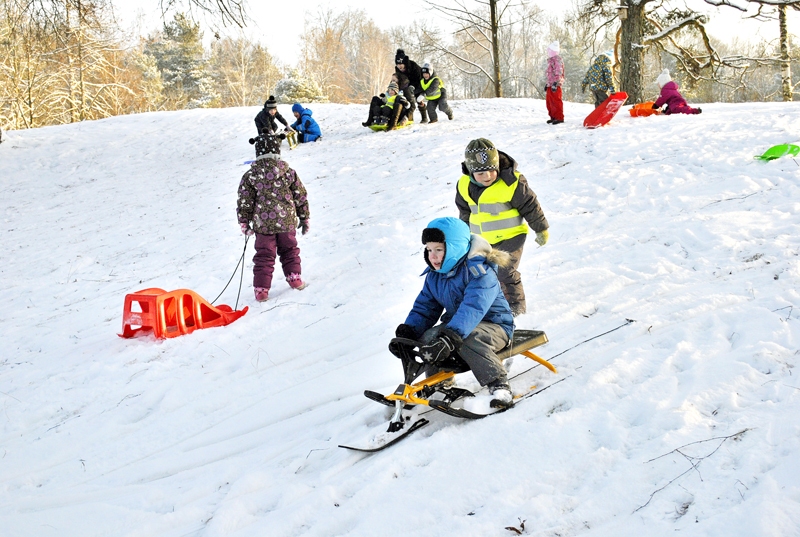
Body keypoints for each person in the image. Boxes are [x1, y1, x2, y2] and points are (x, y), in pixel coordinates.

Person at [394, 216, 516, 408]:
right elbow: (425, 308)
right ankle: (440, 382)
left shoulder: (480, 272)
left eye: (439, 250)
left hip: (495, 327)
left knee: (469, 337)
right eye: (429, 250)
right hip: (458, 327)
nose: (432, 256)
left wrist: (451, 336)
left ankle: (499, 384)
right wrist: (409, 332)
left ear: (455, 247)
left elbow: (473, 308)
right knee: (429, 336)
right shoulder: (435, 276)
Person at [455, 138, 549, 317]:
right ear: (470, 171)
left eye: (491, 170)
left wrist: (540, 228)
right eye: (480, 173)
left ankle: (516, 307)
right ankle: (490, 305)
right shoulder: (464, 185)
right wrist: (464, 233)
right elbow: (464, 210)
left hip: (511, 237)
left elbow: (530, 205)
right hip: (482, 239)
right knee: (478, 272)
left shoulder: (511, 182)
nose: (487, 176)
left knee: (504, 271)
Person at [237, 132, 310, 302]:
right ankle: (294, 278)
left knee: (264, 255)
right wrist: (304, 217)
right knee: (290, 250)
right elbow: (300, 195)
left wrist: (244, 221)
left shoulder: (250, 176)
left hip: (263, 225)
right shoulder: (289, 172)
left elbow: (244, 200)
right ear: (277, 150)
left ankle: (261, 290)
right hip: (287, 222)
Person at [394, 48, 428, 124]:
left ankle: (424, 117)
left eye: (401, 64)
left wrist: (413, 87)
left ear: (405, 63)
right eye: (398, 64)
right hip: (408, 86)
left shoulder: (413, 66)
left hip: (420, 83)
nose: (400, 66)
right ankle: (409, 118)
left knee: (419, 99)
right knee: (407, 100)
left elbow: (419, 78)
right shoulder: (397, 69)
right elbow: (400, 79)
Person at [544, 41, 565, 124]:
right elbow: (550, 74)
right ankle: (553, 116)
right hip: (550, 84)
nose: (548, 52)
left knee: (556, 101)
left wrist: (556, 83)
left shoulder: (557, 60)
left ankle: (559, 117)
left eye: (549, 50)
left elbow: (559, 72)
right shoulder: (551, 60)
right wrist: (547, 84)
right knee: (549, 102)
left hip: (555, 85)